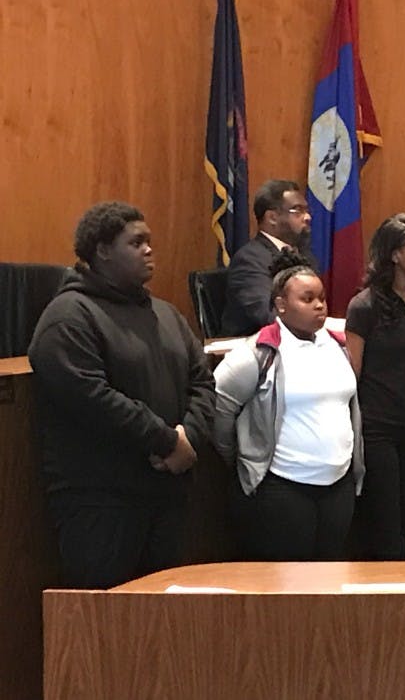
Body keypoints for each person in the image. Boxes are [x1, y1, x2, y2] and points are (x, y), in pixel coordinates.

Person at [28, 202, 214, 588]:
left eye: (149, 242)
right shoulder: (68, 316)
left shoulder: (166, 315)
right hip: (100, 501)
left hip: (166, 494)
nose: (149, 250)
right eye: (136, 242)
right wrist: (166, 440)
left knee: (159, 622)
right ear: (102, 251)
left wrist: (189, 438)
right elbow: (90, 397)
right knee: (101, 625)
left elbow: (202, 383)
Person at [213, 251, 364, 561]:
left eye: (321, 298)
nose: (319, 305)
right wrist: (242, 457)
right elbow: (218, 406)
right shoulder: (258, 353)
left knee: (331, 578)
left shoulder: (338, 344)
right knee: (290, 586)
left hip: (338, 484)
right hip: (283, 487)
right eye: (307, 299)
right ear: (281, 305)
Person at [345, 214, 405, 560]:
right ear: (396, 255)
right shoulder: (365, 307)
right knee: (386, 521)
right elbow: (352, 376)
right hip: (379, 429)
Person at [221, 179, 313, 336]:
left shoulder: (303, 254)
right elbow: (269, 315)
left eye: (306, 210)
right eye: (298, 211)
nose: (307, 217)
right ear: (272, 217)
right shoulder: (249, 260)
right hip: (259, 352)